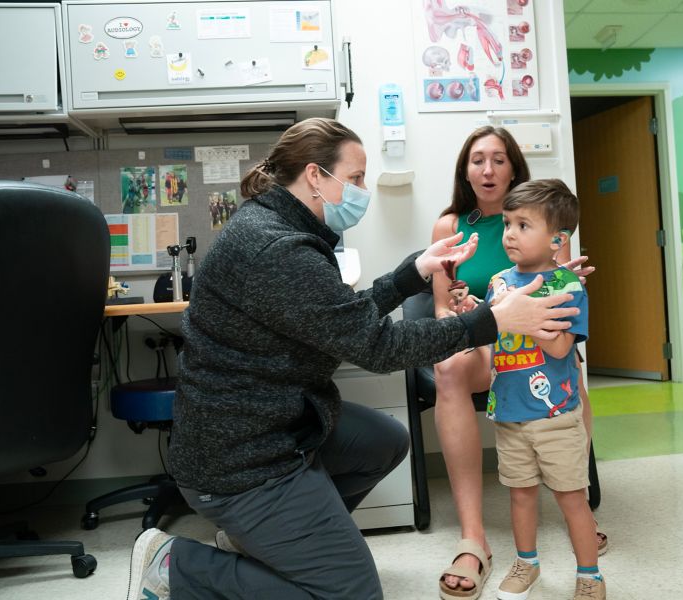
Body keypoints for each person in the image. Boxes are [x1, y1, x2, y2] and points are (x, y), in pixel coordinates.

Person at [125, 118, 583, 600]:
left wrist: (412, 273)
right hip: (240, 459)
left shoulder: (284, 226)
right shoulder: (279, 247)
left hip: (277, 425)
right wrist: (492, 321)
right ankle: (174, 566)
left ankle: (266, 542)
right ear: (317, 176)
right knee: (353, 594)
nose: (364, 189)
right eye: (357, 177)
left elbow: (339, 316)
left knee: (382, 441)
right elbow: (377, 346)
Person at [432, 126, 603, 600]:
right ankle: (496, 549)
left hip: (544, 375)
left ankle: (585, 547)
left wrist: (531, 308)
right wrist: (475, 316)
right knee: (518, 490)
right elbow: (452, 309)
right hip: (497, 371)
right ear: (465, 169)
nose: (487, 169)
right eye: (477, 159)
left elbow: (559, 331)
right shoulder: (460, 238)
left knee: (571, 489)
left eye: (499, 159)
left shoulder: (555, 252)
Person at [485, 179, 604, 600]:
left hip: (557, 417)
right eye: (507, 224)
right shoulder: (498, 281)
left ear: (557, 239)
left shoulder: (567, 287)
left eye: (522, 225)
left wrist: (523, 311)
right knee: (520, 496)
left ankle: (589, 575)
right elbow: (490, 334)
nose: (510, 234)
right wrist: (483, 312)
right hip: (510, 412)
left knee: (573, 499)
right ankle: (527, 564)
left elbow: (559, 347)